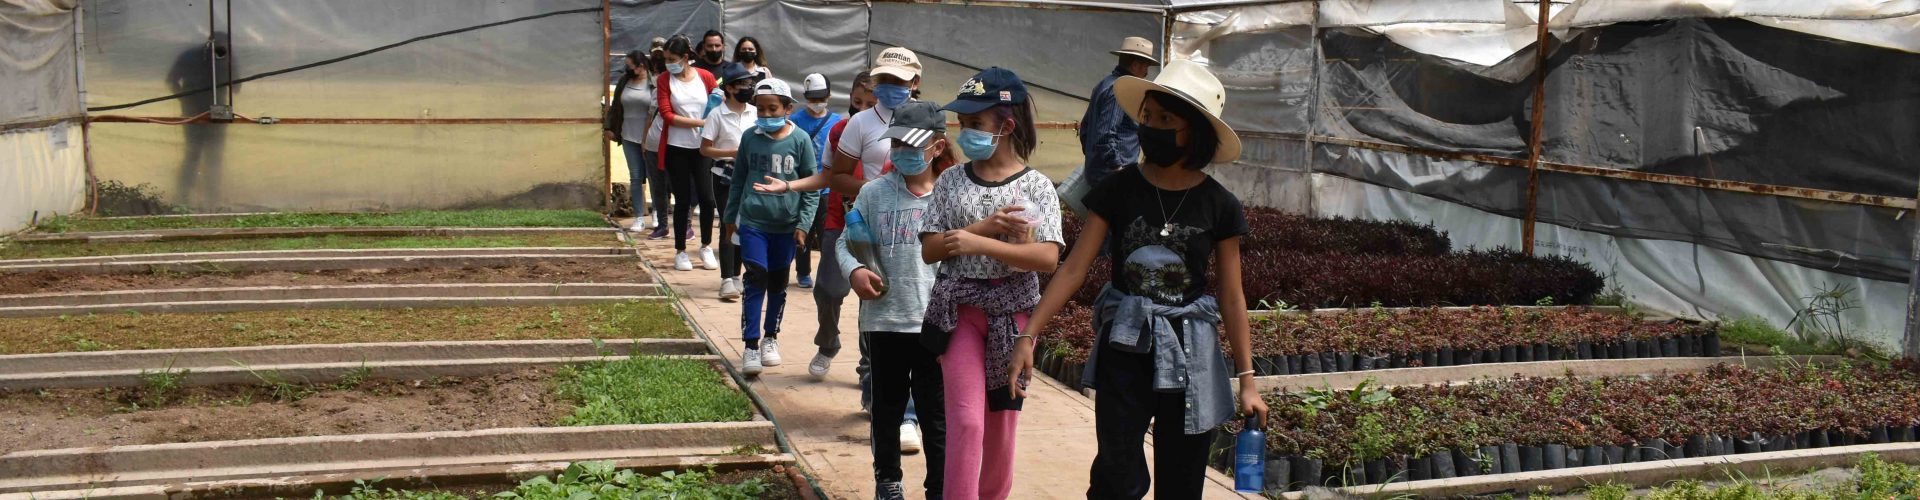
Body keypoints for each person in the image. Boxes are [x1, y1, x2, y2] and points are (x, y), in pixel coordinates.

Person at [1012, 60, 1269, 500]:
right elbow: (1073, 268)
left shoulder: (1219, 205)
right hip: (1126, 345)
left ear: (1194, 132)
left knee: (1182, 479)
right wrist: (1029, 335)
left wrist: (1247, 380)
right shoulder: (1119, 188)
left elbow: (1231, 295)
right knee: (1116, 475)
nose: (1151, 128)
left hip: (1190, 353)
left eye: (1165, 120)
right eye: (1147, 117)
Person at [919, 67, 1061, 500]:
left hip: (1013, 318)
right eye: (963, 123)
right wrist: (983, 229)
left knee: (1001, 425)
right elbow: (930, 249)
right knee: (966, 421)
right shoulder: (950, 180)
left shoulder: (1037, 187)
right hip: (958, 312)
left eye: (976, 123)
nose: (966, 132)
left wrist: (986, 243)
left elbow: (1047, 258)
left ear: (1007, 126)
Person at [725, 77, 820, 376]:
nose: (765, 115)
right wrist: (730, 217)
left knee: (778, 283)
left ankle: (770, 337)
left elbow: (811, 186)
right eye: (760, 109)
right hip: (753, 222)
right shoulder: (749, 138)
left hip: (785, 226)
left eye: (772, 109)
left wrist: (803, 224)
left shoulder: (800, 140)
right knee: (756, 277)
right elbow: (738, 180)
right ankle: (751, 345)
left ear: (788, 108)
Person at [654, 35, 722, 272]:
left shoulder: (705, 76)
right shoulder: (664, 80)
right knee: (682, 200)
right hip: (676, 147)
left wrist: (711, 122)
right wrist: (700, 122)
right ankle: (680, 250)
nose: (668, 64)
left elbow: (718, 101)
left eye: (672, 59)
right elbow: (667, 114)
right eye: (666, 59)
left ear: (685, 57)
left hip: (703, 147)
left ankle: (706, 246)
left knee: (707, 198)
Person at [703, 63, 762, 302]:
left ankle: (738, 275)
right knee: (728, 221)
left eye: (750, 83)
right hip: (724, 174)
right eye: (742, 84)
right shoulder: (717, 114)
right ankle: (726, 278)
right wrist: (731, 152)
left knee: (745, 223)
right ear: (729, 88)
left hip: (750, 175)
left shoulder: (755, 113)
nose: (748, 88)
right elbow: (705, 149)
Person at [167, 31, 236, 209]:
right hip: (203, 108)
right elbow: (236, 87)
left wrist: (184, 99)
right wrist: (185, 99)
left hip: (213, 109)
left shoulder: (224, 58)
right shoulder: (197, 56)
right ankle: (186, 196)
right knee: (197, 153)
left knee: (207, 154)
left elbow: (236, 86)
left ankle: (206, 196)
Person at [789, 73, 843, 291]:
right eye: (812, 98)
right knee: (804, 230)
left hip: (827, 188)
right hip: (803, 185)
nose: (817, 102)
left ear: (829, 96)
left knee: (826, 233)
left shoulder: (837, 121)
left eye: (820, 97)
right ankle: (803, 271)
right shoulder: (795, 121)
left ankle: (826, 273)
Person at [607, 50, 663, 232]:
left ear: (641, 66)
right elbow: (616, 106)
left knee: (653, 176)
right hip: (628, 134)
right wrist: (610, 127)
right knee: (636, 176)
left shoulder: (654, 82)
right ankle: (639, 216)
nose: (627, 69)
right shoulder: (625, 81)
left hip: (650, 136)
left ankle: (657, 213)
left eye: (630, 66)